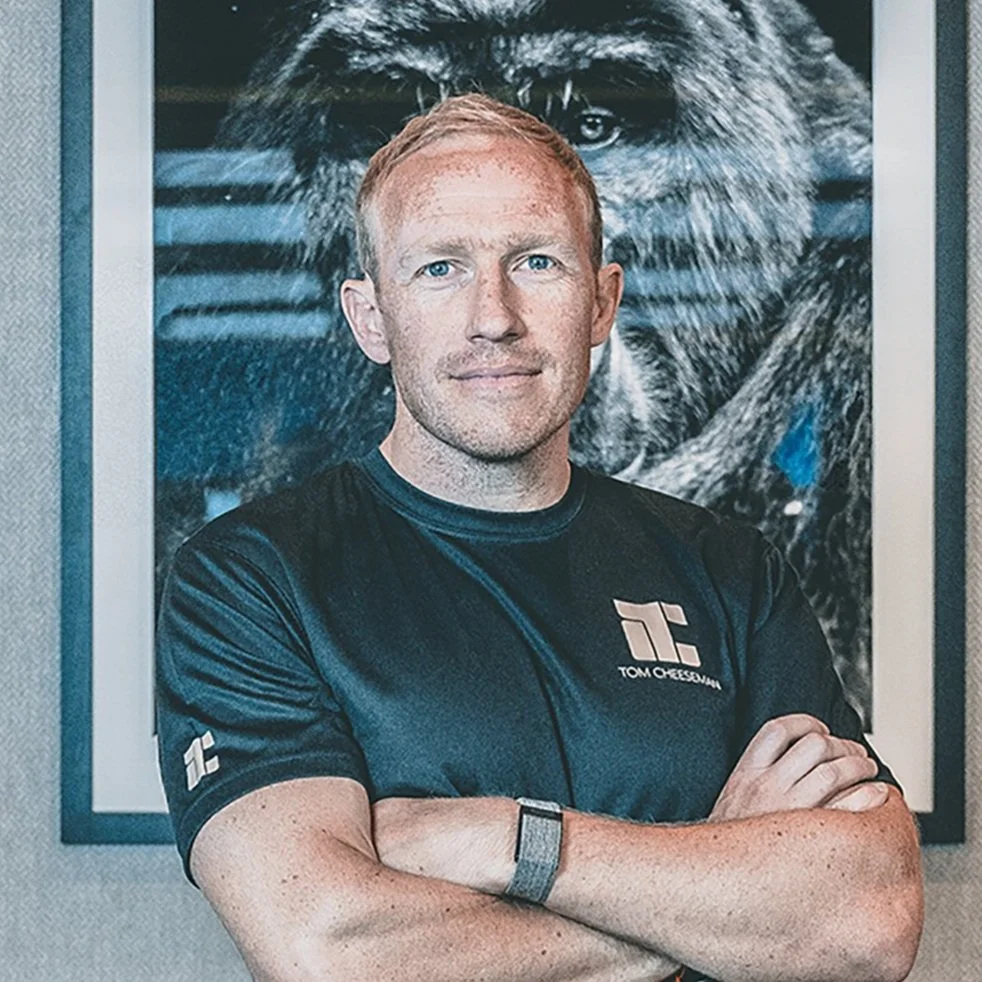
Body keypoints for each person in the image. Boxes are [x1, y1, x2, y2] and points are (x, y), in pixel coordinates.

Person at [156, 94, 923, 982]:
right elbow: (328, 951)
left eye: (537, 261)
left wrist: (502, 839)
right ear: (371, 318)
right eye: (440, 268)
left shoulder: (730, 571)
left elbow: (870, 920)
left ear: (602, 302)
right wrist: (715, 883)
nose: (494, 316)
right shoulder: (251, 581)